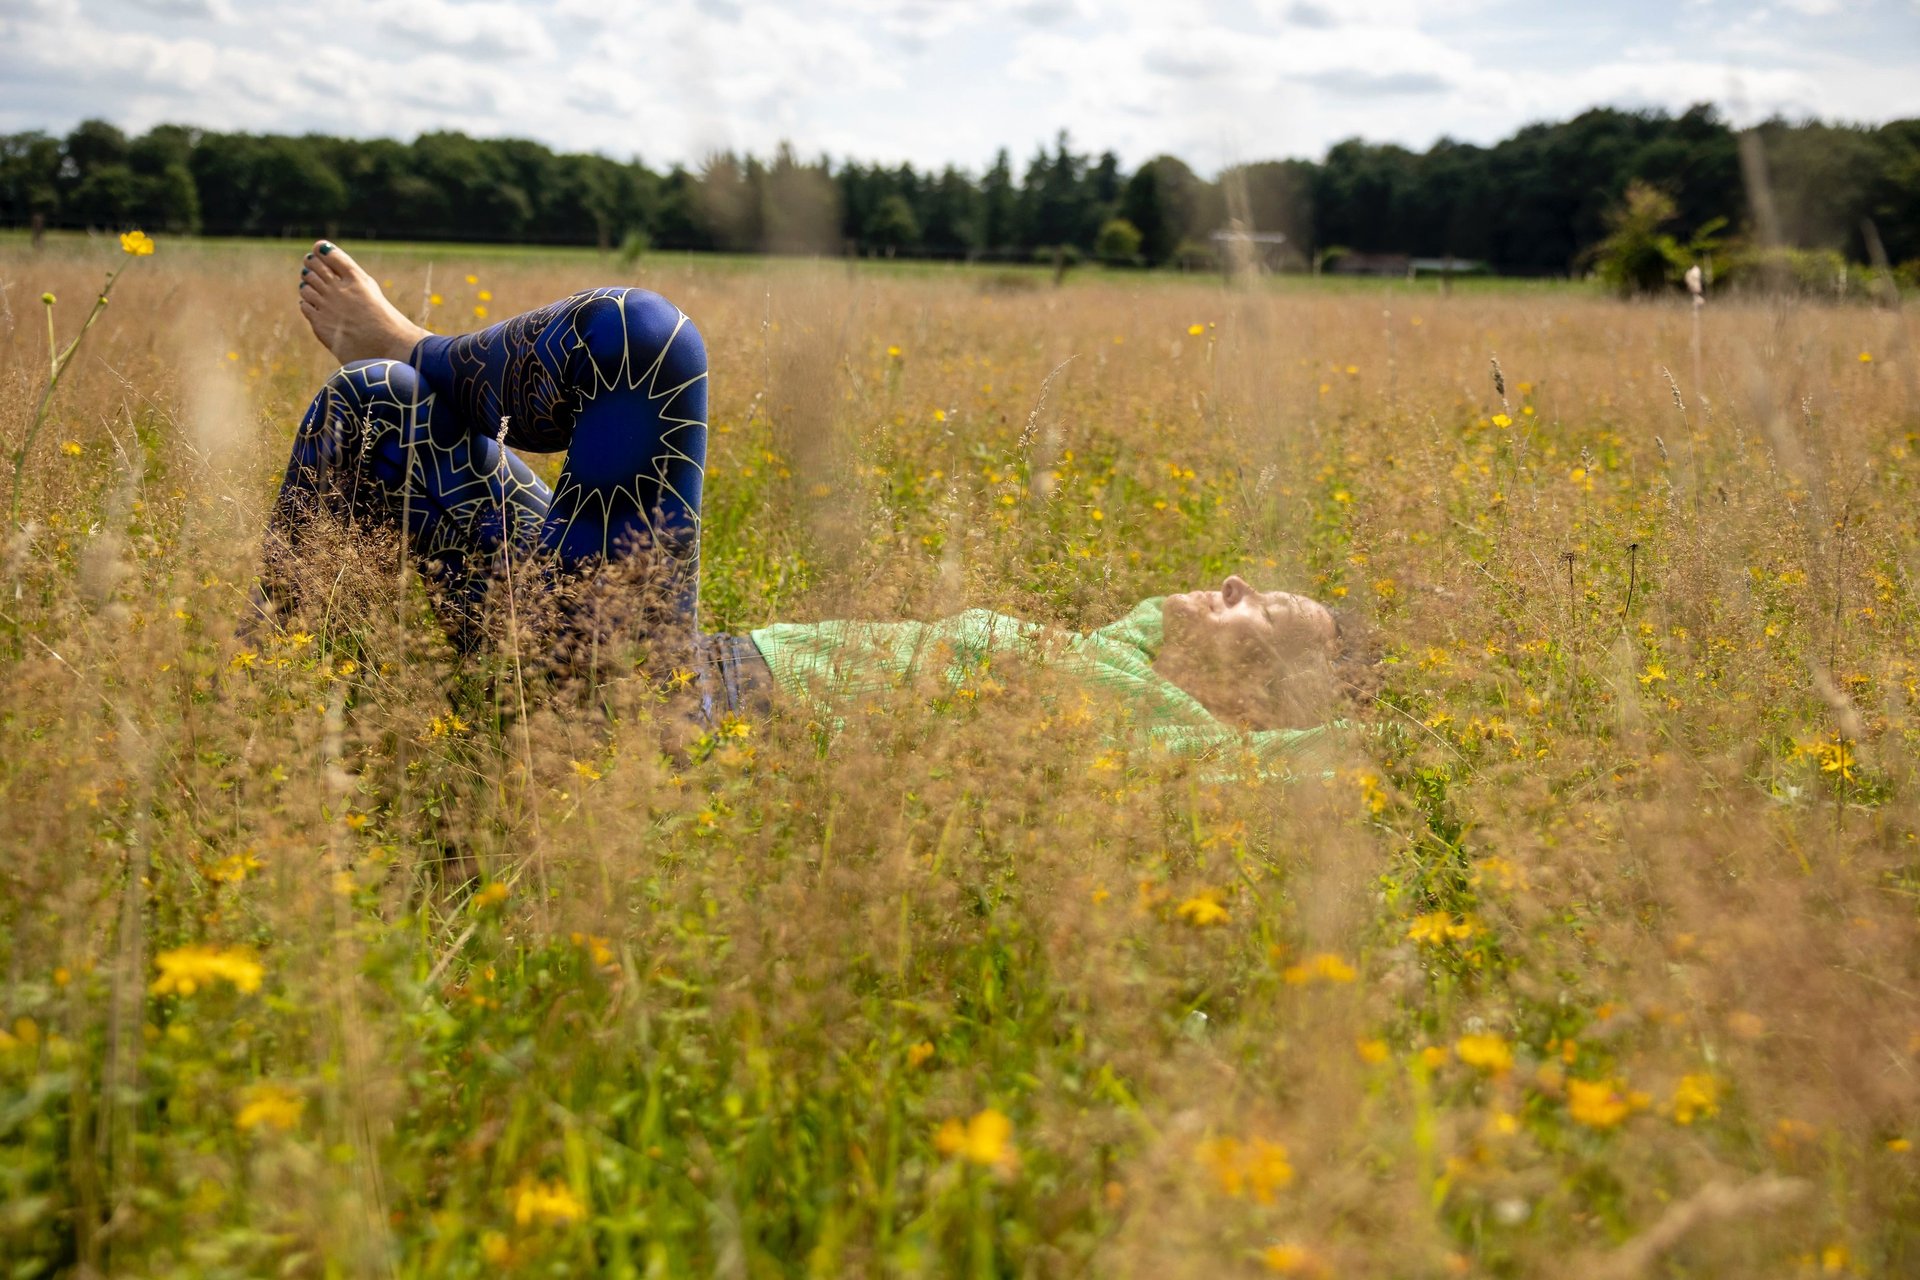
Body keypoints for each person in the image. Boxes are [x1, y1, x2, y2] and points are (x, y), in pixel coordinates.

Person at [265, 241, 1351, 771]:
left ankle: (425, 347)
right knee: (376, 411)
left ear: (1256, 697)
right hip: (649, 653)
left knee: (645, 341)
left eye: (1271, 610)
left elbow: (1351, 758)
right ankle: (258, 716)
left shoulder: (1180, 738)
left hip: (666, 710)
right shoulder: (1105, 650)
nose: (1236, 582)